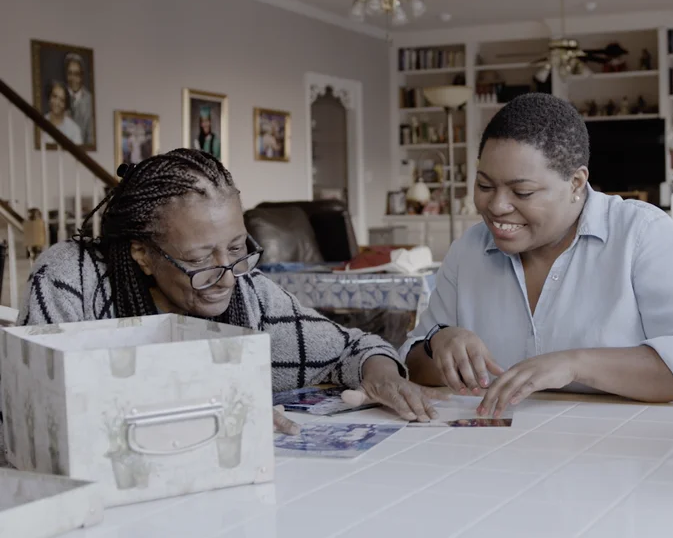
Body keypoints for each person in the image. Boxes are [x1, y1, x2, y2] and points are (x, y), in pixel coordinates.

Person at [18, 148, 444, 433]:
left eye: (238, 247)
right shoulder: (70, 278)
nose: (225, 275)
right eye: (200, 258)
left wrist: (386, 378)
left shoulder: (246, 290)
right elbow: (36, 412)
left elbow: (353, 348)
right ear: (142, 254)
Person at [402, 93, 673, 418]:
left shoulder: (642, 236)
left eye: (522, 191)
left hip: (621, 458)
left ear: (577, 183)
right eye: (485, 186)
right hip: (499, 458)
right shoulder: (468, 251)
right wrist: (438, 342)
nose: (496, 206)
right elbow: (412, 364)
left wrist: (575, 364)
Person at [64, 53, 94, 146]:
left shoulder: (90, 100)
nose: (73, 79)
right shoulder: (59, 96)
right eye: (70, 73)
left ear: (82, 76)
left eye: (76, 74)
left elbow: (91, 137)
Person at [42, 80, 83, 146]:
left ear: (66, 105)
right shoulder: (40, 123)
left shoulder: (74, 130)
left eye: (62, 100)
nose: (57, 102)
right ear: (49, 98)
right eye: (54, 96)